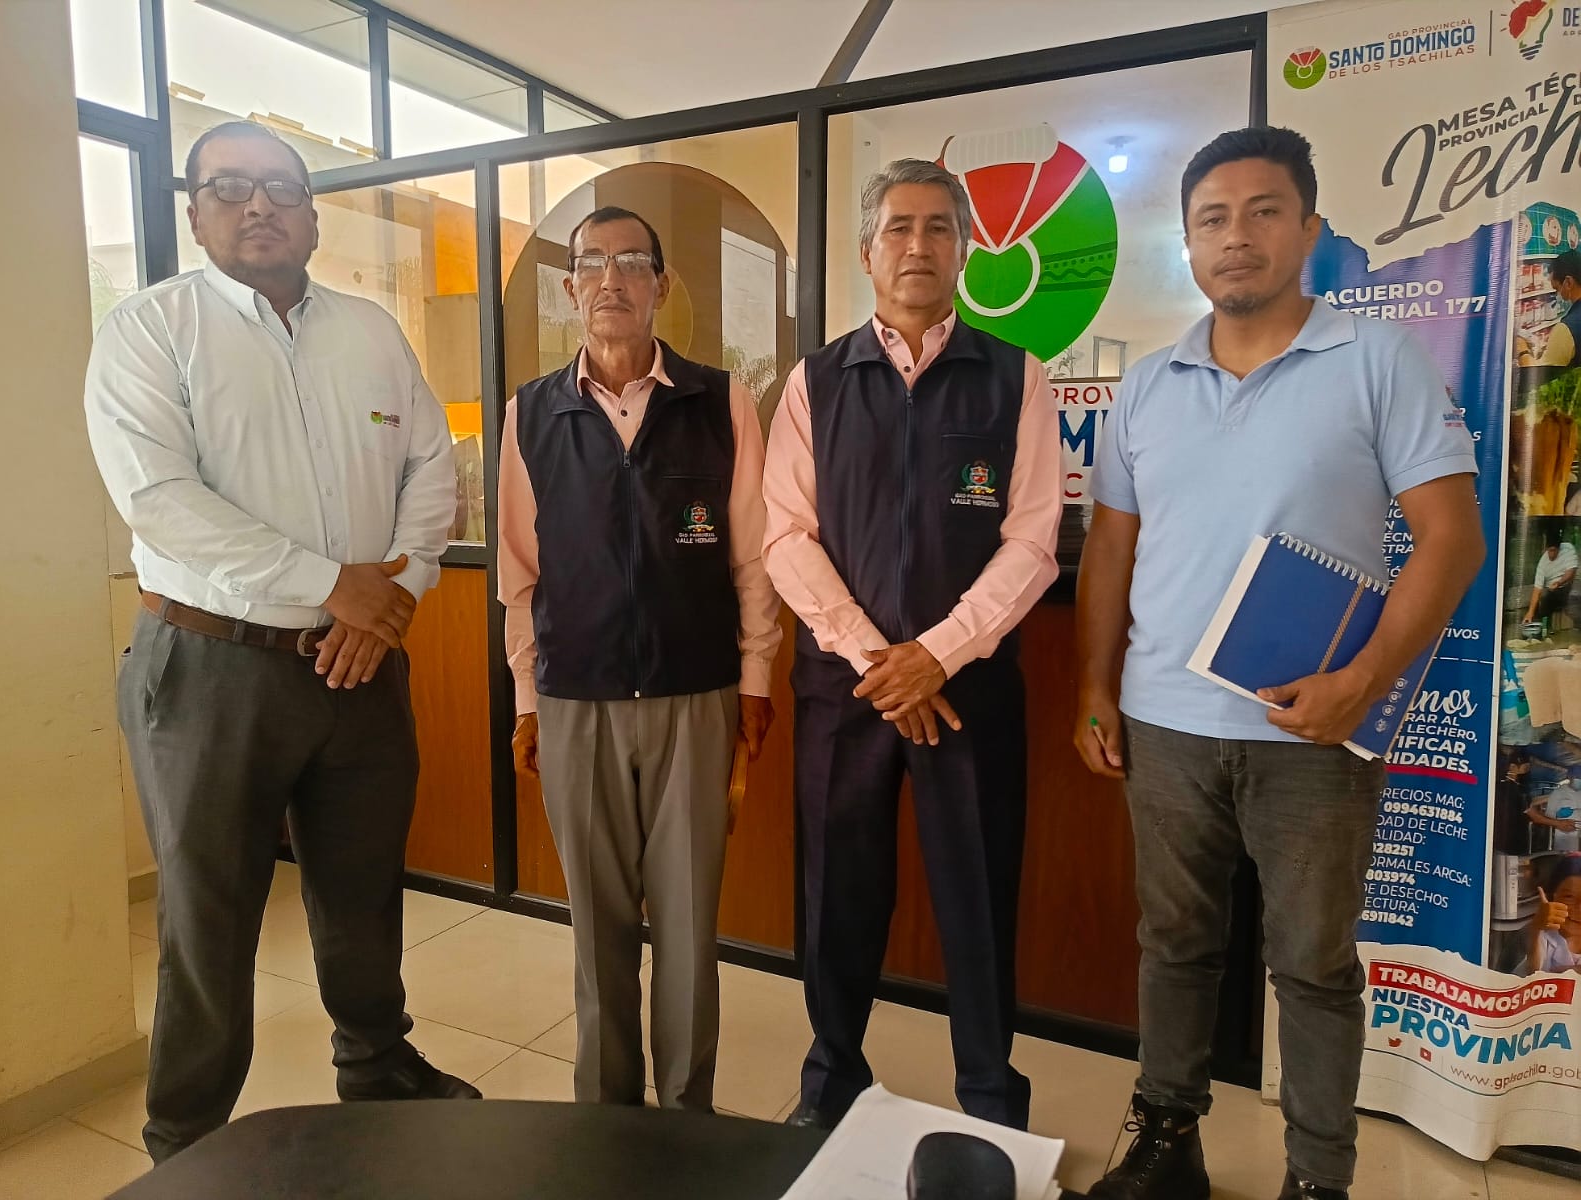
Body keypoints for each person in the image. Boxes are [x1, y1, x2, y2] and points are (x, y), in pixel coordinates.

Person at [1074, 127, 1483, 1200]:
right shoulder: (1147, 386)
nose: (1236, 237)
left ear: (1309, 229)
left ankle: (1317, 1179)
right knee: (1173, 943)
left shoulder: (1378, 361)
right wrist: (1094, 688)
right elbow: (1110, 548)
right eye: (1211, 219)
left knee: (1311, 963)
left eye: (1263, 212)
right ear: (1188, 244)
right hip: (1164, 724)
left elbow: (1451, 539)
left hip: (1314, 729)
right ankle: (1167, 1142)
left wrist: (1365, 679)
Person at [84, 121, 478, 1163]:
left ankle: (377, 1065)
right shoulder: (150, 330)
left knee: (363, 888)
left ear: (311, 217)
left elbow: (430, 469)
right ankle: (186, 1137)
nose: (258, 204)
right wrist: (334, 587)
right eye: (230, 186)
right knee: (209, 916)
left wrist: (394, 596)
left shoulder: (371, 332)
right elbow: (160, 501)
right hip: (210, 668)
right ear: (195, 212)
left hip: (361, 668)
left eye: (280, 188)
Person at [763, 158, 1062, 1131]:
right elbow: (784, 536)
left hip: (968, 692)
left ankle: (990, 1100)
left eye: (939, 227)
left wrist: (939, 653)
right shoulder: (814, 382)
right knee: (835, 896)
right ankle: (830, 1083)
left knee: (978, 896)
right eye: (899, 227)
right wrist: (877, 660)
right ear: (867, 251)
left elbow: (1033, 540)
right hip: (844, 692)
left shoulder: (1015, 377)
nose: (918, 245)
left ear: (967, 250)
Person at [497, 206, 781, 1110]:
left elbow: (753, 559)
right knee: (598, 928)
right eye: (591, 263)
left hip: (694, 694)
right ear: (570, 286)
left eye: (630, 262)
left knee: (690, 924)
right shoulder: (532, 414)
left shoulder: (719, 402)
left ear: (662, 284)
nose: (610, 280)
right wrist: (527, 699)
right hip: (575, 698)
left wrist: (755, 681)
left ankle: (687, 1115)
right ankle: (606, 1117)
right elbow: (519, 574)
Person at [1516, 249, 1581, 368]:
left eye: (1557, 289)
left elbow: (1542, 373)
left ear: (1568, 282)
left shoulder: (1566, 329)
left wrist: (1522, 349)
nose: (1558, 295)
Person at [1531, 857, 1581, 974]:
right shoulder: (1542, 937)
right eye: (1569, 897)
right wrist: (1535, 931)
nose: (1579, 907)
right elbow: (1531, 972)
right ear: (1553, 897)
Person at [1523, 531, 1577, 624]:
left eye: (1554, 551)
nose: (1552, 554)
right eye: (1550, 551)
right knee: (1543, 606)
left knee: (1574, 601)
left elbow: (1571, 571)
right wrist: (1530, 612)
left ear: (1559, 548)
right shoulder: (1542, 564)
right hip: (1552, 590)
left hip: (1569, 585)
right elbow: (1537, 589)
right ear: (1546, 549)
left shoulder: (1568, 548)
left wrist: (1559, 582)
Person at [1527, 766, 1581, 853]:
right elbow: (1548, 816)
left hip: (1579, 835)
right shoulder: (1558, 793)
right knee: (1567, 856)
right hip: (1564, 834)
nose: (1579, 780)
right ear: (1569, 777)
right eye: (1577, 777)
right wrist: (1558, 815)